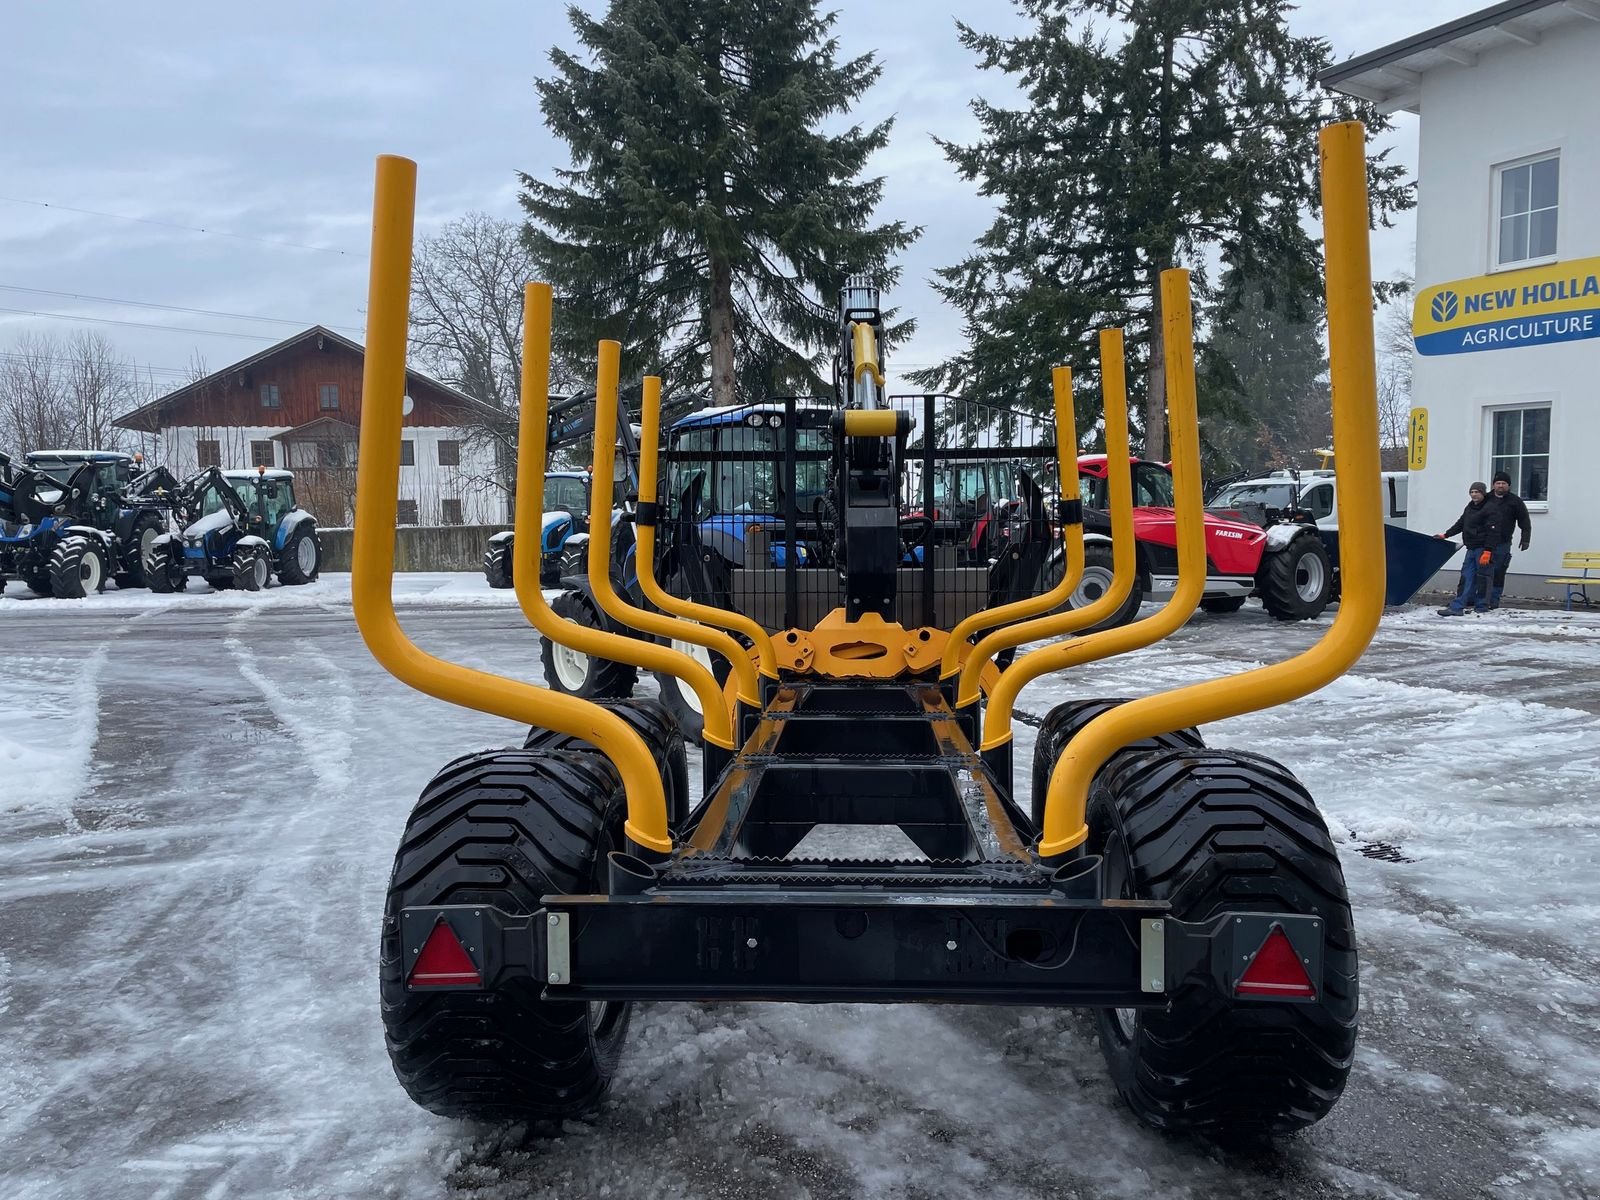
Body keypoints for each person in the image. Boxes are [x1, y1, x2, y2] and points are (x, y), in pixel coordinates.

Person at [1436, 482, 1508, 616]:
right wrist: (1446, 534)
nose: (1474, 494)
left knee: (1483, 578)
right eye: (1472, 492)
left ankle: (1482, 606)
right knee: (1466, 577)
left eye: (1477, 492)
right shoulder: (1470, 507)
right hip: (1471, 548)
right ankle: (1457, 606)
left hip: (1483, 549)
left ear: (1483, 493)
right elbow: (1461, 524)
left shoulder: (1491, 508)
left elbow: (1494, 531)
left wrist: (1488, 550)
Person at [1483, 470, 1531, 609]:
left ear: (1508, 486)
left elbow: (1524, 521)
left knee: (1498, 572)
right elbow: (1472, 517)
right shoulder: (1486, 499)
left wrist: (1525, 539)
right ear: (1493, 485)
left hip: (1503, 543)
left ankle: (1494, 600)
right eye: (1498, 483)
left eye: (1503, 483)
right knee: (1482, 572)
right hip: (1484, 542)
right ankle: (1480, 599)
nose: (1500, 486)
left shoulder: (1515, 502)